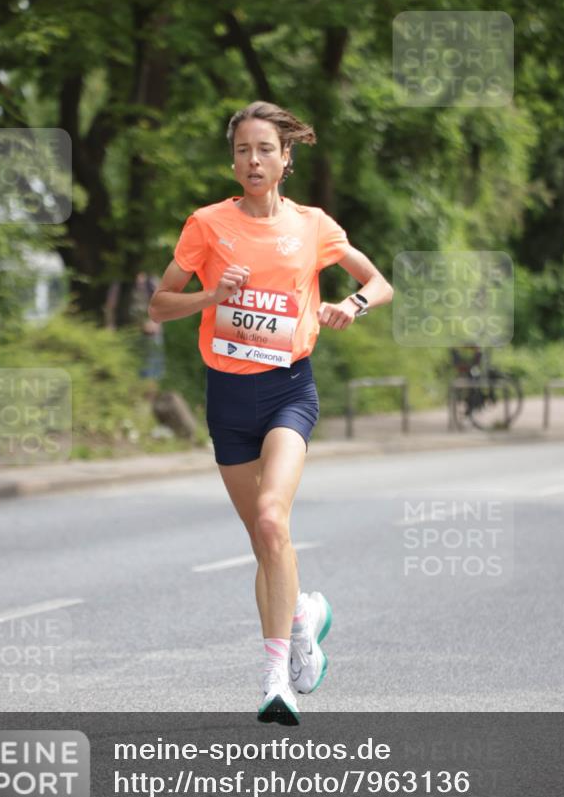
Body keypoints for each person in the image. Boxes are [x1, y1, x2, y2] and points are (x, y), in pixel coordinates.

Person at [149, 101, 393, 725]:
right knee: (265, 544)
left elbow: (378, 281)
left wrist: (351, 306)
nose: (251, 161)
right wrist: (212, 293)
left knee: (270, 517)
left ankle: (275, 677)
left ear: (286, 158)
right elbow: (159, 304)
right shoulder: (206, 224)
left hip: (289, 388)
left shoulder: (312, 225)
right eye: (241, 151)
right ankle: (305, 616)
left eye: (263, 150)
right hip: (227, 398)